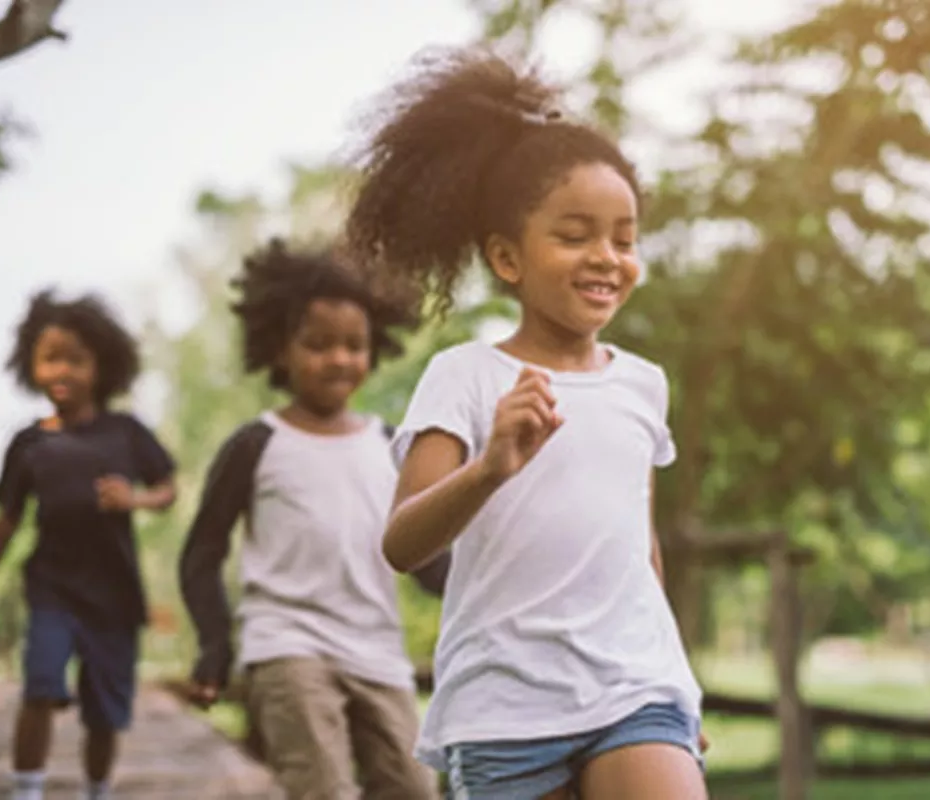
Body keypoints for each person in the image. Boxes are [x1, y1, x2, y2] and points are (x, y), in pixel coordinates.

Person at [343, 47, 708, 799]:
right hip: (506, 711)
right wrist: (490, 468)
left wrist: (676, 678)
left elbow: (640, 551)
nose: (606, 257)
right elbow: (403, 544)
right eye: (574, 236)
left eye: (624, 237)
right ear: (507, 258)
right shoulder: (465, 377)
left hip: (633, 692)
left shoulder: (644, 385)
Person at [178, 240, 447, 800]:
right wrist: (213, 643)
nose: (339, 359)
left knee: (416, 789)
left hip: (377, 648)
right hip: (286, 645)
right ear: (281, 350)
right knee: (322, 789)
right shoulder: (256, 444)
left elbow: (425, 559)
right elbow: (202, 553)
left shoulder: (390, 444)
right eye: (318, 345)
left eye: (354, 346)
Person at [0, 290, 177, 800]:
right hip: (51, 585)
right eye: (50, 357)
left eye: (76, 359)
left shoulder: (125, 432)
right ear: (30, 365)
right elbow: (9, 518)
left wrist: (136, 500)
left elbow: (168, 489)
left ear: (102, 366)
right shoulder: (29, 443)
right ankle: (28, 791)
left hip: (114, 591)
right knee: (40, 684)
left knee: (104, 710)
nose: (63, 370)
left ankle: (97, 790)